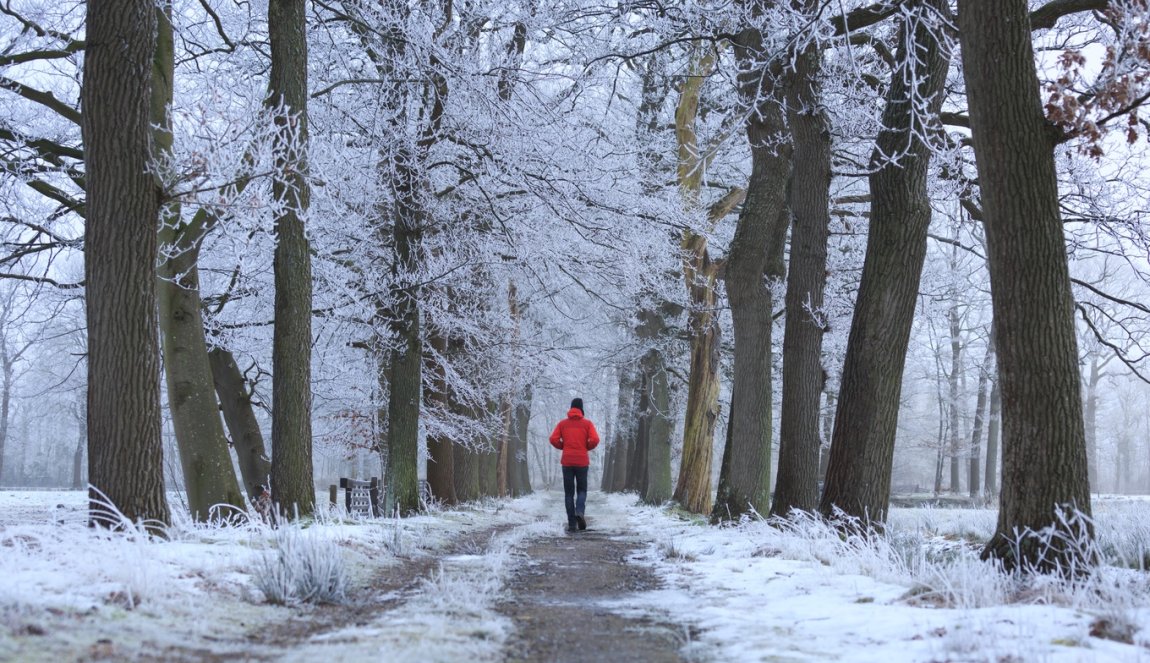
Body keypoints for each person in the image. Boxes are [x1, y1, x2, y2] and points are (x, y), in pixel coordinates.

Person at [549, 397, 600, 532]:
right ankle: (580, 511)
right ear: (581, 409)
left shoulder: (562, 424)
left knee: (568, 493)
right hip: (582, 461)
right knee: (582, 490)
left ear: (571, 408)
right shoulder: (587, 424)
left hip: (567, 461)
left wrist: (563, 446)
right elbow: (595, 439)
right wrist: (586, 447)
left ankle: (572, 523)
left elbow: (553, 439)